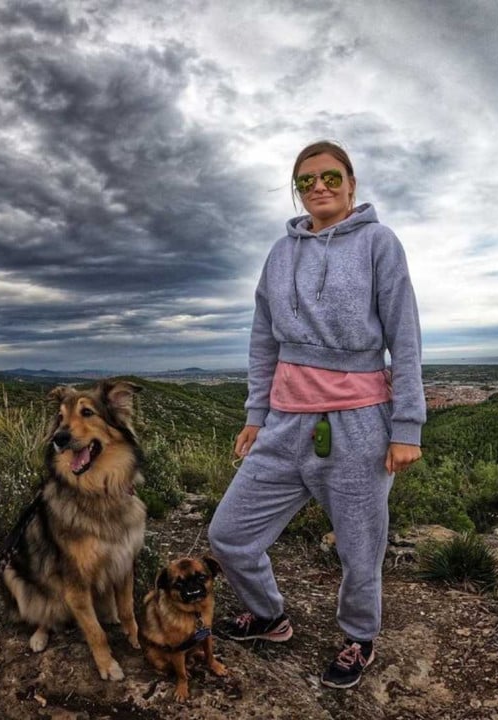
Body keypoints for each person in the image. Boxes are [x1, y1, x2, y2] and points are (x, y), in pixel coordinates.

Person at [208, 140, 426, 689]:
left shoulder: (379, 243)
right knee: (230, 534)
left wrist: (406, 425)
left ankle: (358, 638)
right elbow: (263, 339)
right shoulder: (280, 254)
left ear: (351, 183)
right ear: (297, 190)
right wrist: (256, 413)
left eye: (330, 176)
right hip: (284, 423)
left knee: (359, 549)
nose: (319, 187)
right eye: (306, 181)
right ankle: (267, 615)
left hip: (359, 425)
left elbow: (404, 336)